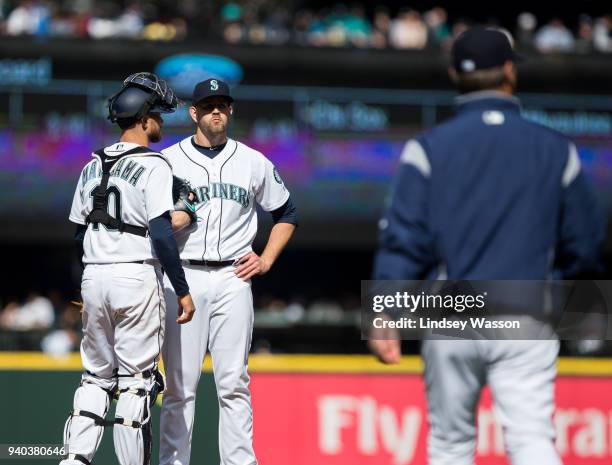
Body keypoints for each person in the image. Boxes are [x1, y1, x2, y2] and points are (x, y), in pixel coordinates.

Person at [370, 27, 605, 465]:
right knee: (532, 441)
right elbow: (586, 245)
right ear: (510, 72)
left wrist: (386, 310)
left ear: (453, 75)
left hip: (453, 312)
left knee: (450, 446)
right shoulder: (555, 149)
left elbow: (404, 241)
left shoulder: (428, 148)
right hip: (527, 309)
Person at [159, 78, 297, 465]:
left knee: (233, 382)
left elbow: (287, 212)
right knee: (179, 387)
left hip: (234, 277)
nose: (216, 110)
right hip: (182, 276)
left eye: (222, 104)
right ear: (194, 112)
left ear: (231, 110)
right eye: (208, 105)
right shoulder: (168, 160)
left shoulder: (253, 160)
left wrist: (266, 258)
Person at [61, 72, 197, 465]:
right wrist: (182, 289)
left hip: (93, 275)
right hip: (135, 274)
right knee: (136, 384)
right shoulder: (154, 164)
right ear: (143, 117)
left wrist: (84, 285)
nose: (160, 122)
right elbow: (159, 232)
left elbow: (77, 235)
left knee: (96, 378)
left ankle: (75, 460)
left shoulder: (90, 165)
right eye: (157, 114)